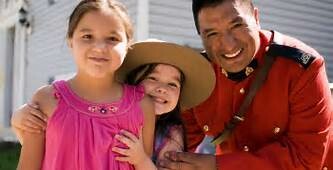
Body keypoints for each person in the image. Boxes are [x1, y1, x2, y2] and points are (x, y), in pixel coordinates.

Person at [157, 0, 333, 169]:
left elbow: (306, 159)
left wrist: (218, 166)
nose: (228, 45)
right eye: (212, 34)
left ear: (256, 18)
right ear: (200, 36)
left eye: (237, 25)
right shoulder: (199, 73)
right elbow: (179, 140)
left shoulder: (302, 68)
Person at [12, 40, 216, 169]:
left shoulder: (172, 135)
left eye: (172, 84)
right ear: (133, 85)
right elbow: (59, 145)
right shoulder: (109, 113)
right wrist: (19, 119)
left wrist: (142, 160)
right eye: (152, 78)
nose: (162, 88)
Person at [16, 0, 157, 169]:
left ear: (127, 45)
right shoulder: (46, 100)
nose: (99, 47)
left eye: (112, 38)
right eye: (87, 36)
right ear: (70, 41)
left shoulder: (143, 105)